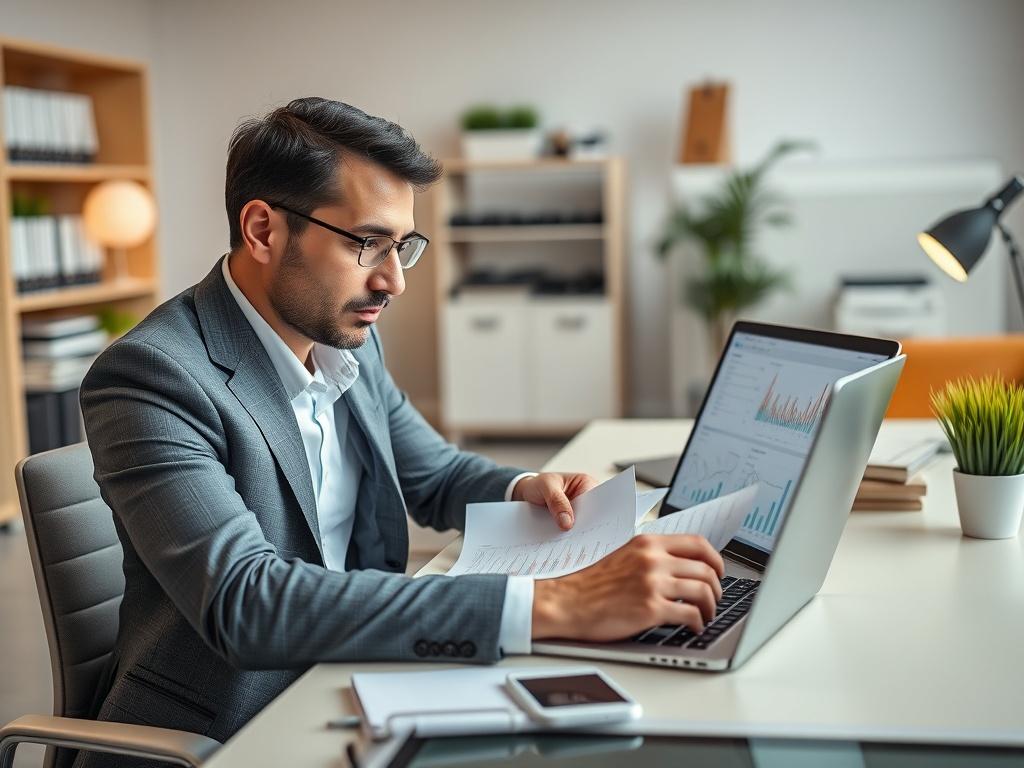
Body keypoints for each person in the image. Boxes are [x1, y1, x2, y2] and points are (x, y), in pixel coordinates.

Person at [77, 97, 724, 763]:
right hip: (228, 727)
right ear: (264, 231)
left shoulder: (347, 343)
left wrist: (530, 487)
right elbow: (248, 602)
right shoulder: (153, 376)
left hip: (353, 678)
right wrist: (551, 605)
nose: (393, 281)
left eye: (402, 247)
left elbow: (434, 475)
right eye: (367, 244)